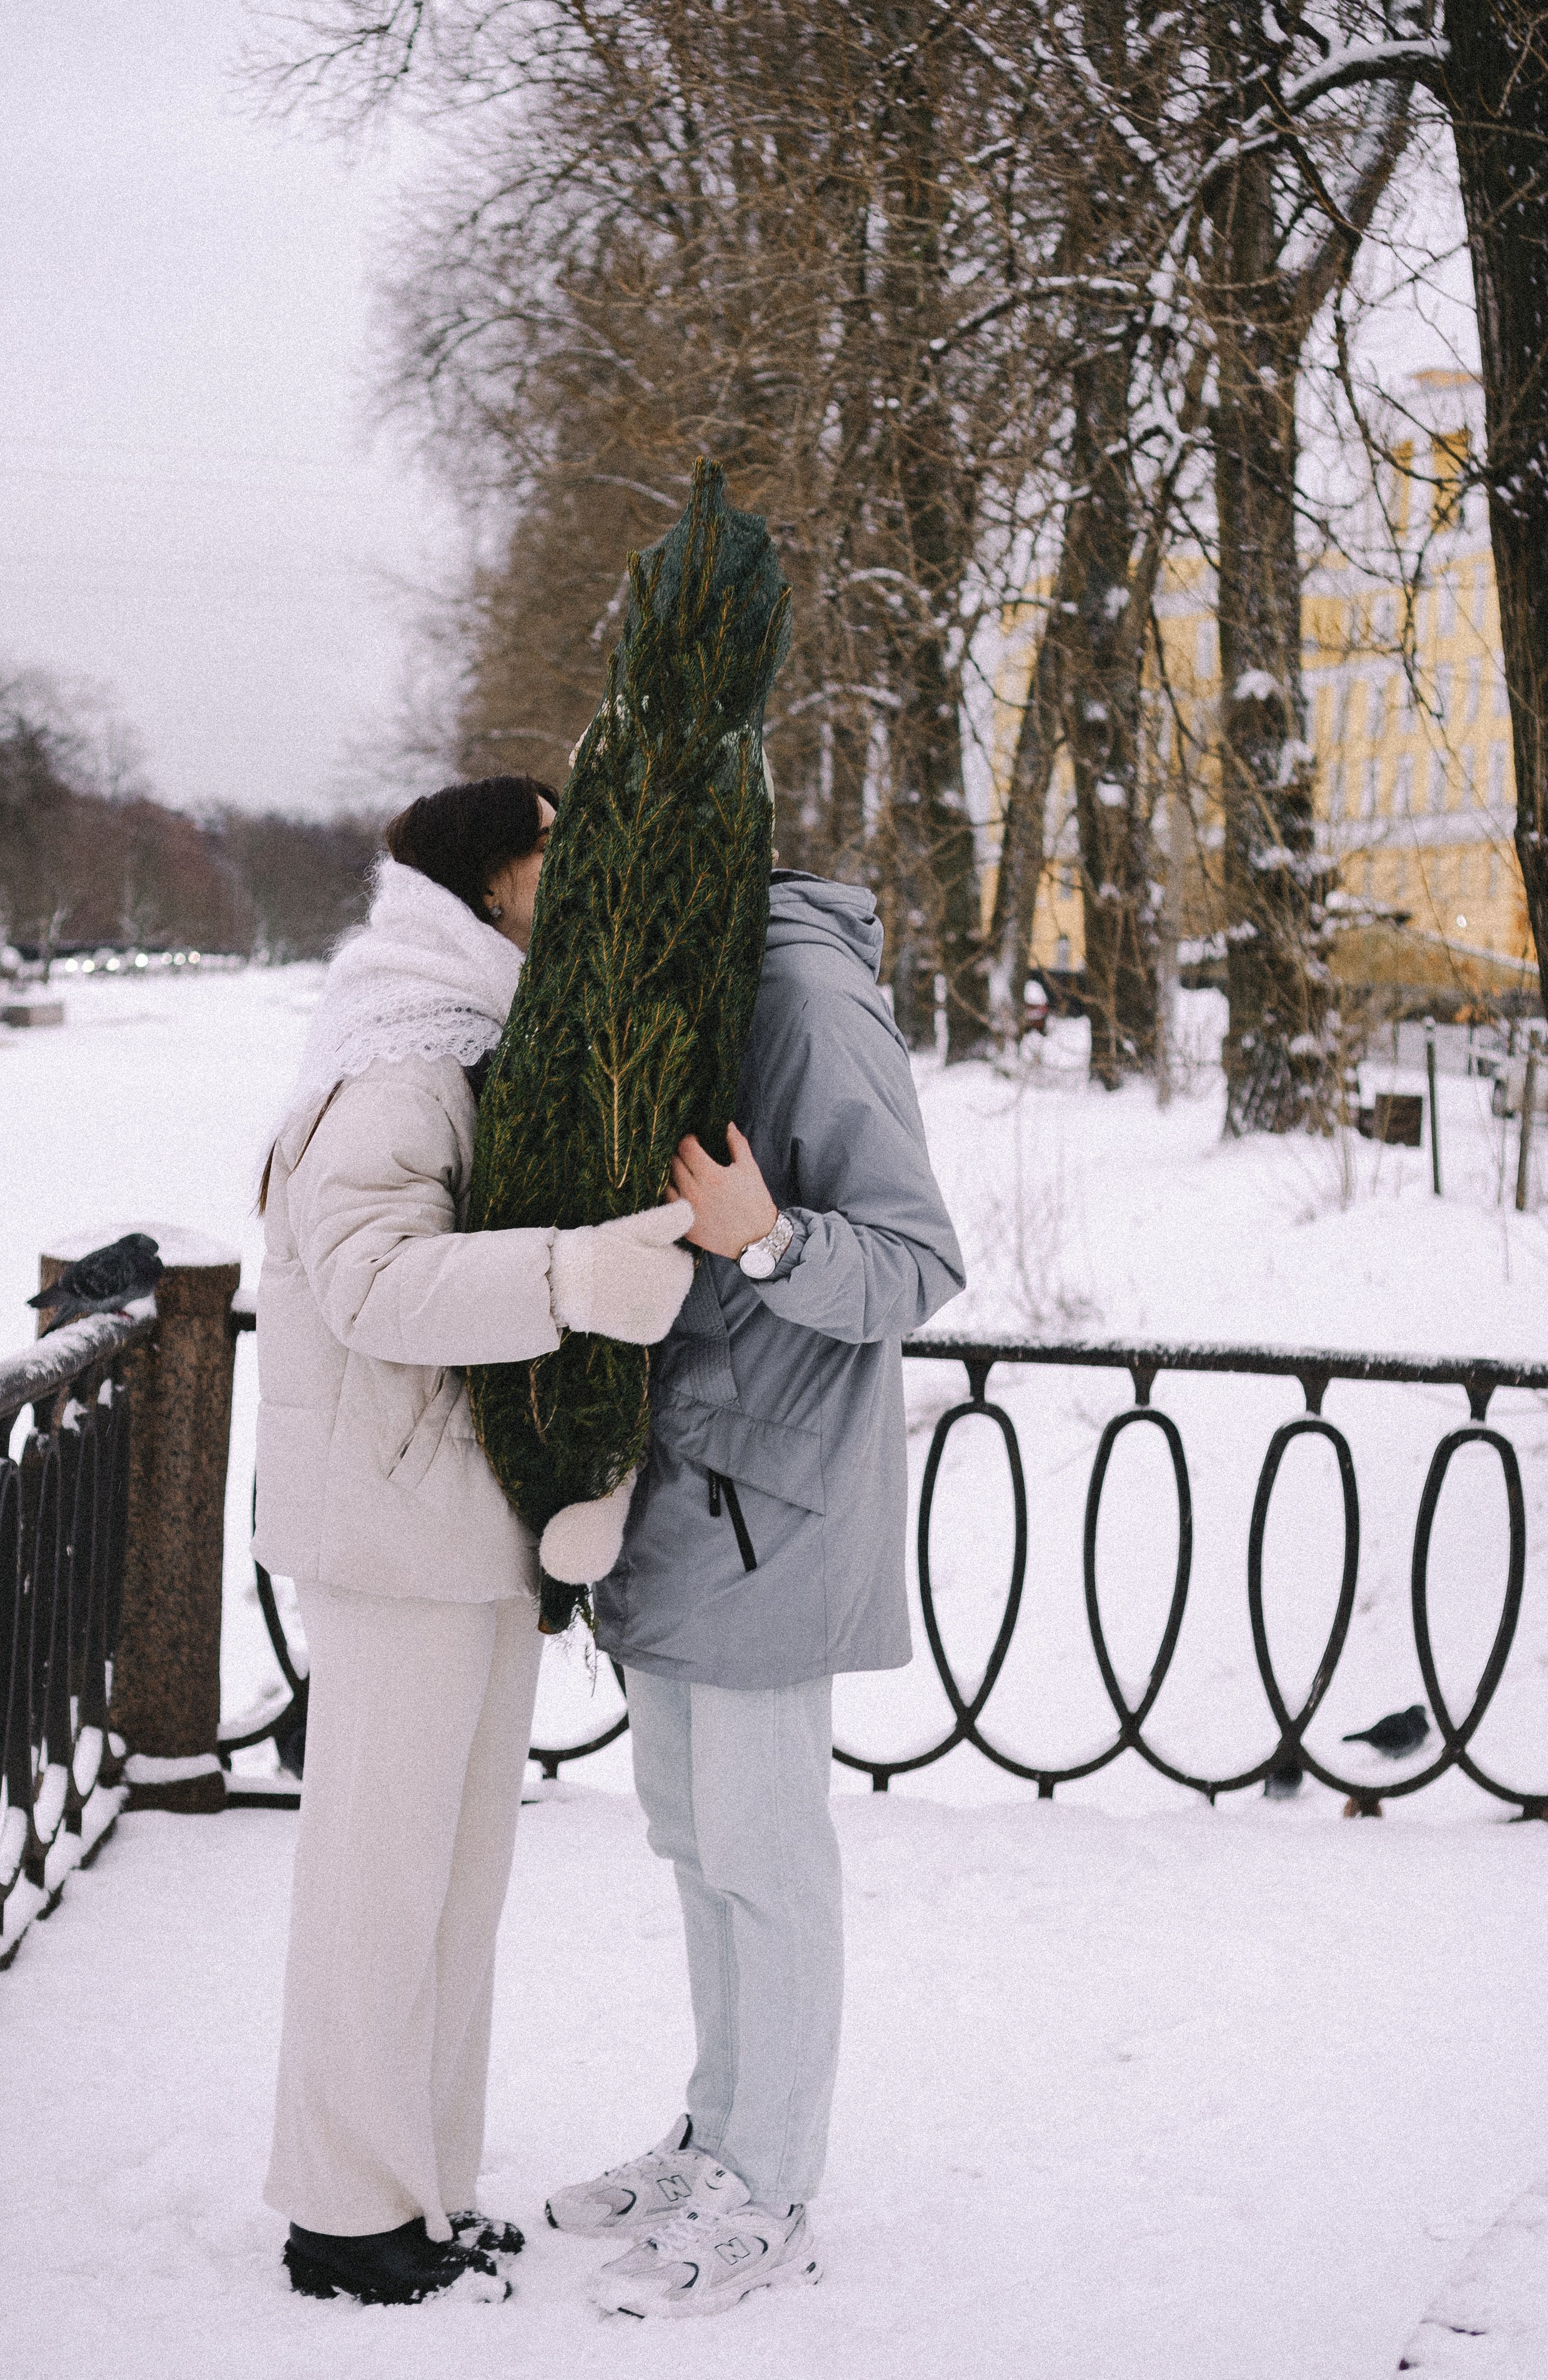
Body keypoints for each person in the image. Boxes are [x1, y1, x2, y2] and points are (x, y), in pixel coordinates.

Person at [252, 774, 696, 2309]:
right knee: (381, 1884)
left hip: (449, 1521)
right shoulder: (402, 1058)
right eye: (552, 853)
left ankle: (419, 2188)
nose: (573, 878)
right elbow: (373, 1283)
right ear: (487, 883)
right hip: (395, 1528)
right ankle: (343, 2213)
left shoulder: (467, 1035)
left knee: (449, 1882)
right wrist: (576, 1278)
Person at [545, 866, 965, 2318]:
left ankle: (771, 2185)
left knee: (766, 1859)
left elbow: (917, 1262)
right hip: (681, 1491)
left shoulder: (799, 991)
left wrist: (767, 1237)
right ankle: (716, 2136)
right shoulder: (684, 977)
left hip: (767, 1506)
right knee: (694, 1838)